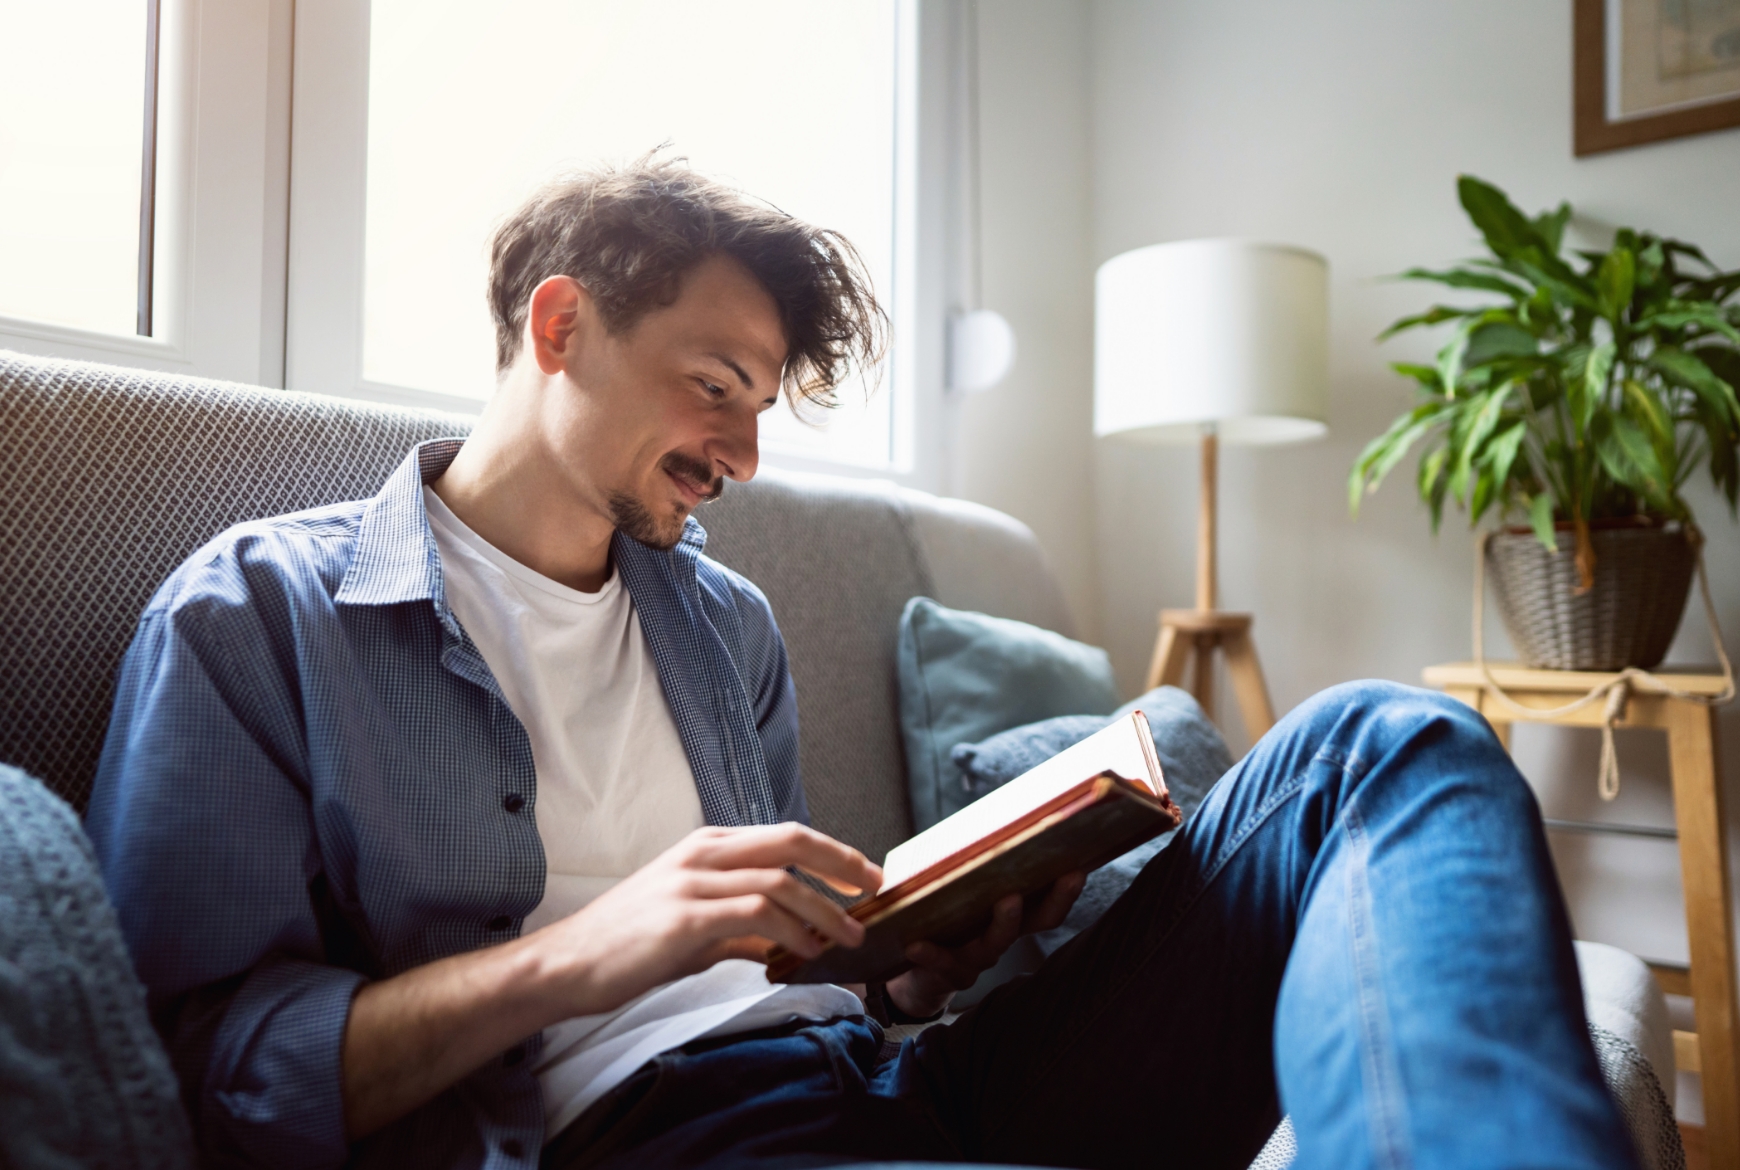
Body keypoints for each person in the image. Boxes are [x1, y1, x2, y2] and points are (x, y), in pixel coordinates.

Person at [87, 158, 1636, 1170]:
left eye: (763, 408)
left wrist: (913, 947)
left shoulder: (724, 626)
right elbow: (204, 1072)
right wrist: (593, 946)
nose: (743, 453)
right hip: (646, 1142)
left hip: (898, 1071)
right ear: (558, 326)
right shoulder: (253, 620)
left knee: (1384, 743)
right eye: (715, 386)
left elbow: (786, 970)